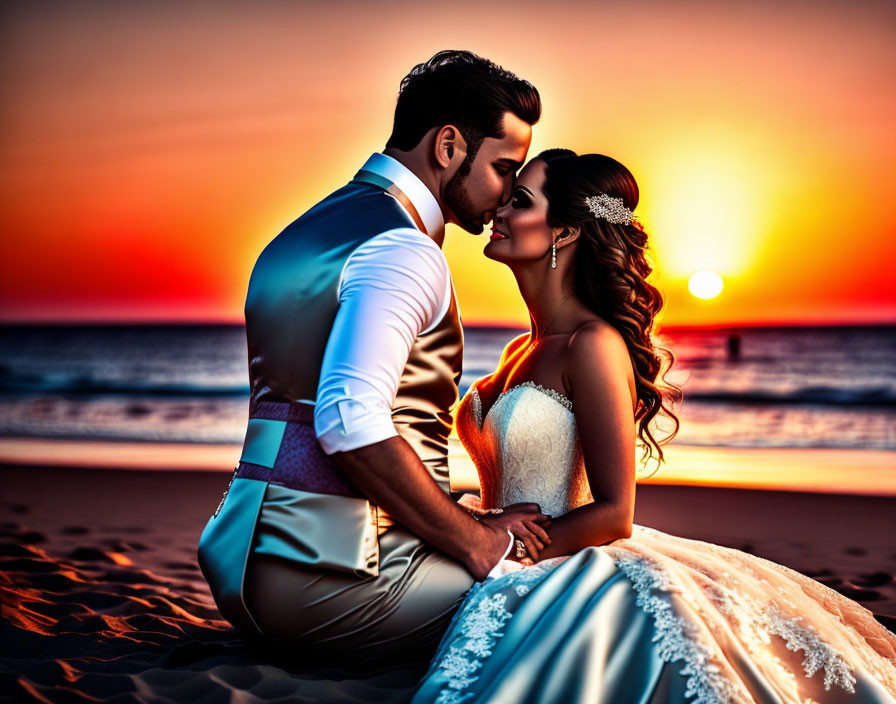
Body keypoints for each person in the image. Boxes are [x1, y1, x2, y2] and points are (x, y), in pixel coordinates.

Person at [410, 150, 896, 703]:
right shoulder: (521, 348)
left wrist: (500, 549)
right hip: (496, 548)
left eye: (520, 201)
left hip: (550, 565)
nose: (499, 207)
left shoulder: (590, 345)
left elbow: (616, 513)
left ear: (565, 231)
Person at [196, 49, 554, 675]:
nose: (504, 195)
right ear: (448, 146)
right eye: (503, 168)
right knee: (571, 591)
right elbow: (347, 419)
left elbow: (303, 414)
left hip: (241, 564)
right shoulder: (405, 249)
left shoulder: (305, 231)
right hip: (330, 584)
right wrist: (474, 540)